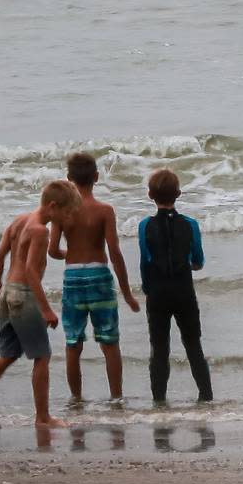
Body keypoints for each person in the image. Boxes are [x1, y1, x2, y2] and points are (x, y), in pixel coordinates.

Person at [0, 180, 82, 429]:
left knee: (8, 354)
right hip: (24, 296)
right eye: (67, 212)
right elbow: (30, 271)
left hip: (9, 292)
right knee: (42, 356)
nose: (68, 218)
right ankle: (43, 417)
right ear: (53, 206)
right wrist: (47, 308)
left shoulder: (20, 220)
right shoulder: (40, 231)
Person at [48, 151, 140, 402]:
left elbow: (53, 250)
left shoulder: (63, 213)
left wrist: (71, 252)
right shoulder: (105, 210)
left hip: (73, 279)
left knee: (73, 343)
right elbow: (115, 252)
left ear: (68, 179)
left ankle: (76, 399)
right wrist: (128, 293)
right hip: (100, 275)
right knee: (109, 342)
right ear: (97, 177)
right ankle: (116, 397)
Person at [138, 168, 213, 404]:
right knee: (193, 345)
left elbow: (145, 261)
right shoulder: (190, 225)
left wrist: (147, 289)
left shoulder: (144, 226)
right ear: (179, 193)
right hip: (184, 292)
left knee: (159, 349)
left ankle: (159, 400)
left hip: (158, 293)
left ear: (150, 195)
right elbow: (198, 262)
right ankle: (206, 395)